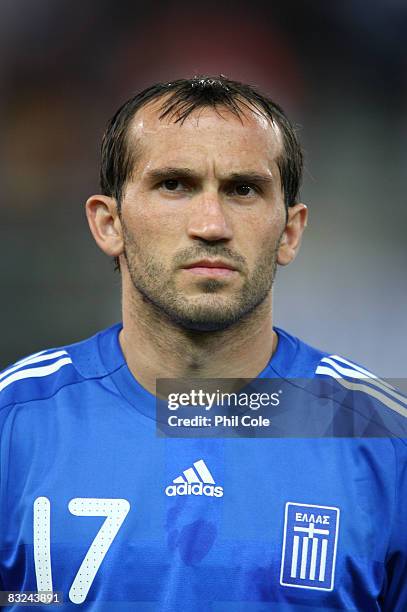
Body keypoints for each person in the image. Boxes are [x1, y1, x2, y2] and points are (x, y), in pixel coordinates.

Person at [0, 76, 406, 611]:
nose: (211, 225)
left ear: (289, 231)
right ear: (108, 222)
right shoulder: (14, 425)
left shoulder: (387, 443)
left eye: (243, 189)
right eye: (174, 184)